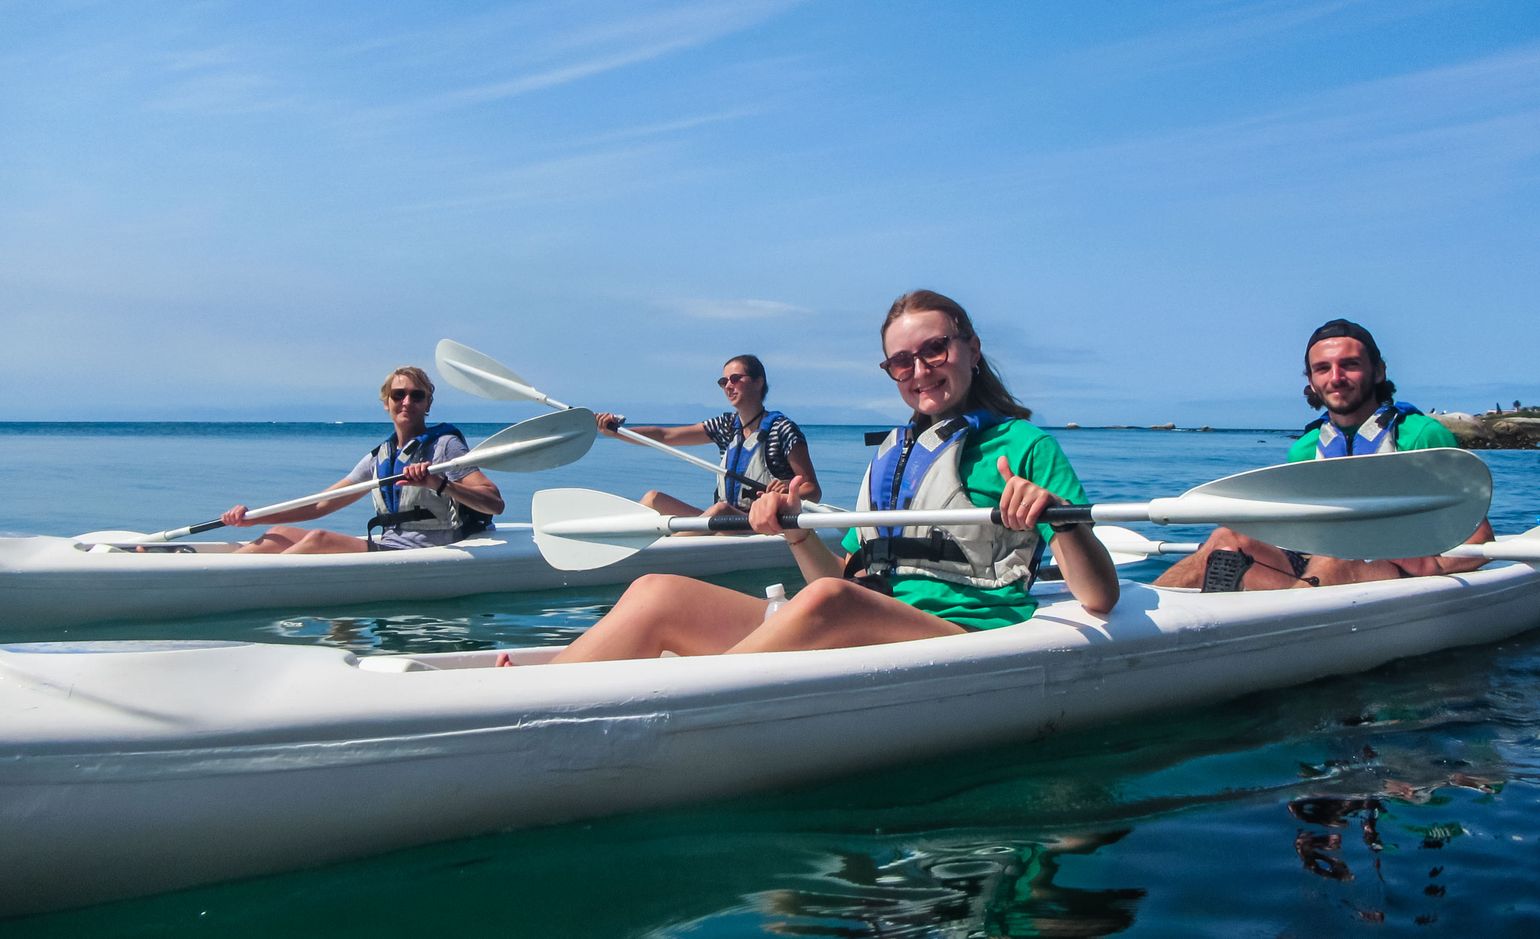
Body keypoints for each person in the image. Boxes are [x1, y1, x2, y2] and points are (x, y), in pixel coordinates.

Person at [546, 290, 1118, 664]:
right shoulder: (894, 452)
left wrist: (1059, 523)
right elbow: (848, 574)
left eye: (935, 349)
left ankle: (697, 692)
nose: (919, 371)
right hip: (863, 619)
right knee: (657, 592)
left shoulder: (1026, 447)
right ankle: (537, 690)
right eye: (902, 361)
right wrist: (795, 532)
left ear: (971, 348)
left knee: (829, 600)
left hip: (961, 639)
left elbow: (1099, 596)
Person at [1154, 319, 1493, 591]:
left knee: (1337, 558)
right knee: (1224, 538)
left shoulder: (1422, 434)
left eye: (1349, 365)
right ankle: (1128, 622)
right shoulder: (1305, 448)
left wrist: (1433, 565)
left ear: (1378, 371)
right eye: (1323, 368)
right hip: (1311, 574)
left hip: (1391, 574)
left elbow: (1479, 538)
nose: (1336, 378)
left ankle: (1283, 639)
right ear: (1312, 382)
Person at [222, 366, 505, 554]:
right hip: (388, 546)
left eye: (417, 396)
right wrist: (253, 519)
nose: (407, 401)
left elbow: (494, 502)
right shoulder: (379, 458)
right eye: (399, 394)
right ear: (387, 402)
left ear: (427, 404)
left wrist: (438, 483)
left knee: (319, 540)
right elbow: (320, 504)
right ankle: (221, 572)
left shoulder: (446, 447)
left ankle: (245, 584)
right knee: (278, 533)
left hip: (422, 552)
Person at [592, 354, 822, 519]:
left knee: (720, 510)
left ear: (758, 381)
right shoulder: (725, 426)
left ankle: (670, 544)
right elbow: (665, 435)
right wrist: (615, 432)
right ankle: (624, 540)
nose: (728, 386)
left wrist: (788, 489)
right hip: (723, 522)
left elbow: (813, 490)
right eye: (723, 382)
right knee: (654, 499)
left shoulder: (782, 429)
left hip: (761, 523)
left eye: (735, 379)